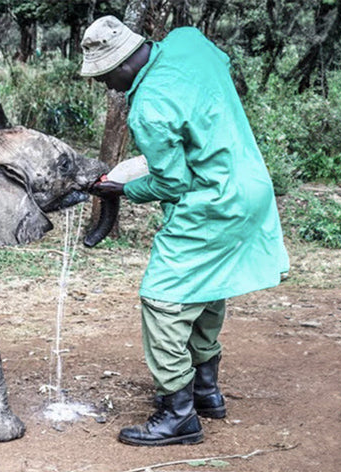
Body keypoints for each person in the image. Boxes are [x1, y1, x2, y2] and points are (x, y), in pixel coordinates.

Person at [80, 16, 290, 446]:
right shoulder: (189, 42)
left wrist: (125, 187)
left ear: (122, 65)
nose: (108, 88)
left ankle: (178, 414)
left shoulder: (149, 109)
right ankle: (205, 392)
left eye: (105, 77)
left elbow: (171, 183)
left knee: (162, 298)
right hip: (249, 184)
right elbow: (214, 72)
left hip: (211, 202)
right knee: (207, 285)